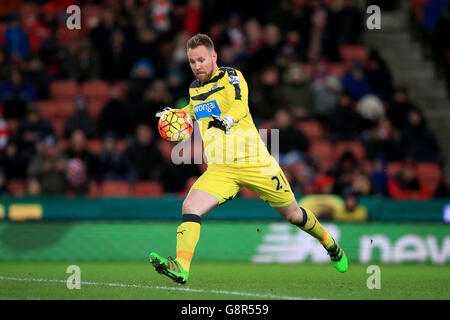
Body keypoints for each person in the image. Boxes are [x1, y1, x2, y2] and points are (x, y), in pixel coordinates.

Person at [150, 34, 348, 285]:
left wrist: (228, 120)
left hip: (256, 163)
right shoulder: (195, 88)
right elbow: (193, 111)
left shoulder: (231, 77)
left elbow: (239, 105)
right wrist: (176, 117)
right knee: (190, 207)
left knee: (294, 215)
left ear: (214, 57)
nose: (197, 66)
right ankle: (181, 267)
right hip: (221, 168)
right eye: (192, 62)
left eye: (201, 59)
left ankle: (330, 244)